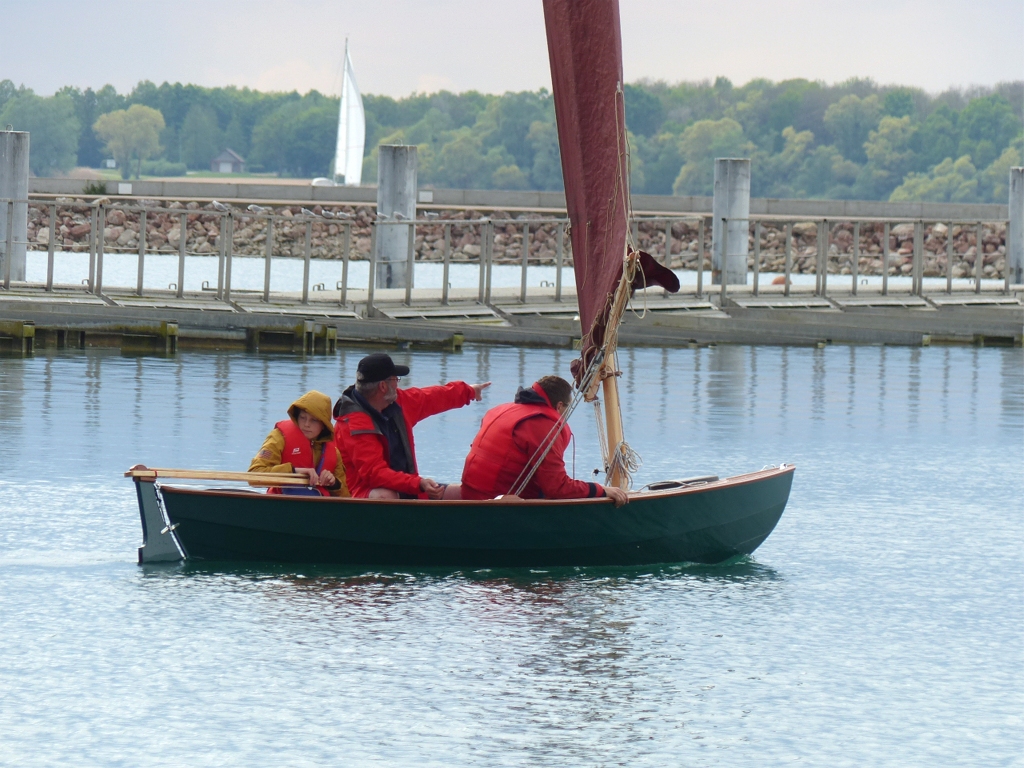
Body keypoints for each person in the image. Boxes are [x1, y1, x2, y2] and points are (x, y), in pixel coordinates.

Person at [333, 353, 489, 499]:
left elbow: (431, 398)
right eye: (395, 379)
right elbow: (375, 474)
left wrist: (468, 391)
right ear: (383, 386)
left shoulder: (397, 402)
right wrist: (418, 484)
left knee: (462, 494)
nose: (397, 384)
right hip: (360, 495)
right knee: (385, 495)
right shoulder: (353, 425)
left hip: (406, 486)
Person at [458, 375, 629, 506]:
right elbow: (557, 487)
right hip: (498, 506)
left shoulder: (500, 410)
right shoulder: (543, 426)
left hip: (471, 495)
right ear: (560, 406)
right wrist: (601, 490)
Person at [249, 390, 349, 497]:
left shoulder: (334, 452)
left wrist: (334, 484)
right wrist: (293, 471)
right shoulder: (279, 438)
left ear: (324, 424)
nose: (306, 424)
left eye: (314, 420)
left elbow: (345, 498)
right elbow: (254, 477)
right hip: (280, 505)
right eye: (302, 417)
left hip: (317, 509)